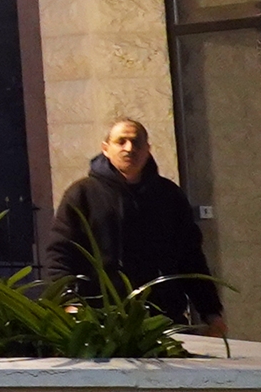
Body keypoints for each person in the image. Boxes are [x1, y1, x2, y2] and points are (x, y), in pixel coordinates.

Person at [40, 116, 224, 331]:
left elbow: (191, 259)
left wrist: (211, 312)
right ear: (106, 148)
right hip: (100, 324)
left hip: (162, 320)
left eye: (136, 142)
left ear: (147, 149)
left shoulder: (170, 196)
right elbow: (60, 254)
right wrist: (69, 304)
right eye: (121, 141)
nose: (129, 148)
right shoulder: (82, 195)